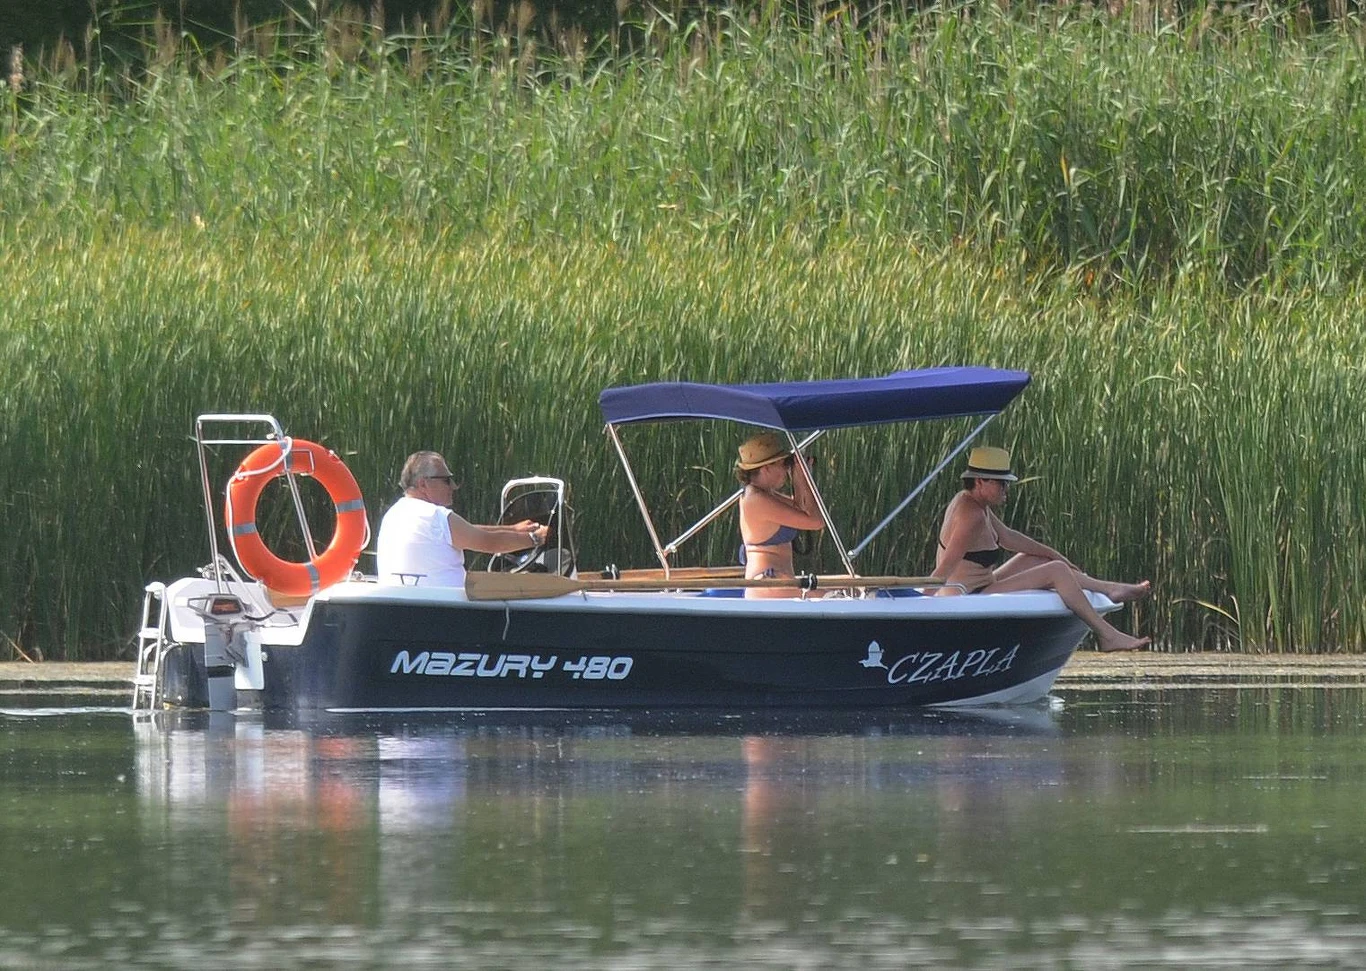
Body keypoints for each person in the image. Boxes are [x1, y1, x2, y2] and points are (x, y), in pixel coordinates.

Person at [934, 446, 1151, 652]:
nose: (1006, 489)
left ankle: (1110, 589)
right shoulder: (971, 516)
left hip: (983, 584)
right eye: (1002, 483)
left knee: (1041, 560)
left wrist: (1055, 554)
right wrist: (921, 597)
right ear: (980, 481)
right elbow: (946, 566)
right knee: (1056, 571)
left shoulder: (974, 504)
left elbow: (1008, 537)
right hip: (970, 595)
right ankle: (1107, 635)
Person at [376, 451, 548, 588]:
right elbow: (488, 542)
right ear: (423, 484)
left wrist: (515, 530)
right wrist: (537, 538)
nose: (453, 486)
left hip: (414, 605)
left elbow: (467, 530)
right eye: (446, 480)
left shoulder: (396, 513)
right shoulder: (434, 516)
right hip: (446, 610)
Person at [734, 432, 826, 598]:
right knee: (835, 594)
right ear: (766, 468)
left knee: (853, 581)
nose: (786, 469)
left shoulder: (766, 495)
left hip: (782, 580)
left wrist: (798, 477)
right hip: (767, 582)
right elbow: (815, 522)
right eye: (783, 464)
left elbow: (801, 509)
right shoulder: (756, 500)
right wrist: (804, 478)